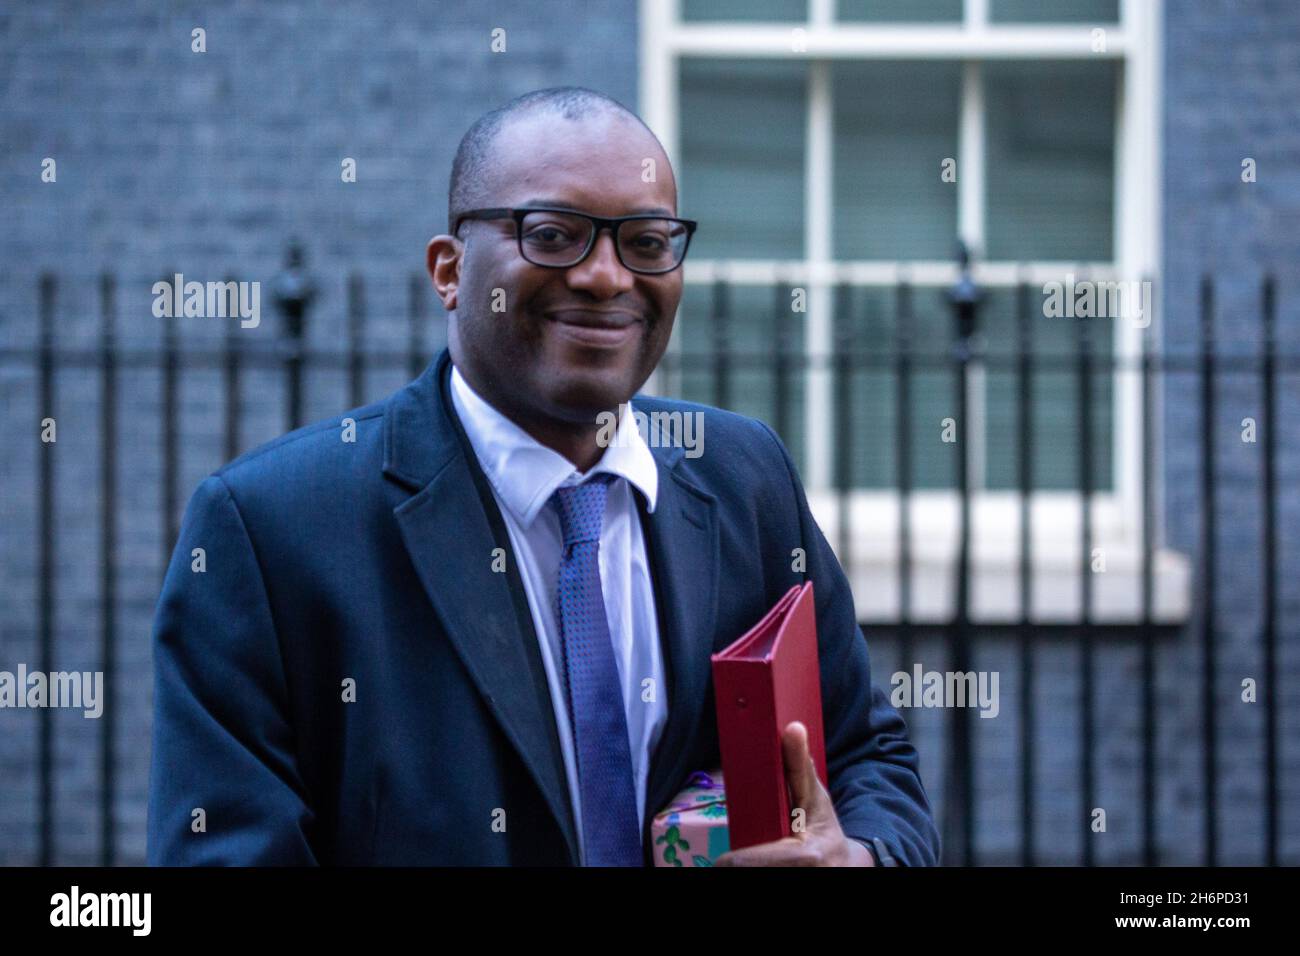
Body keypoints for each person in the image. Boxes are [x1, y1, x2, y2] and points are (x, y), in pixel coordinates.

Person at [147, 86, 940, 867]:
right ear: (449, 270)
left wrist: (856, 858)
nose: (606, 276)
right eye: (553, 235)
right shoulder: (271, 529)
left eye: (647, 242)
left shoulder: (744, 477)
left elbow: (868, 757)